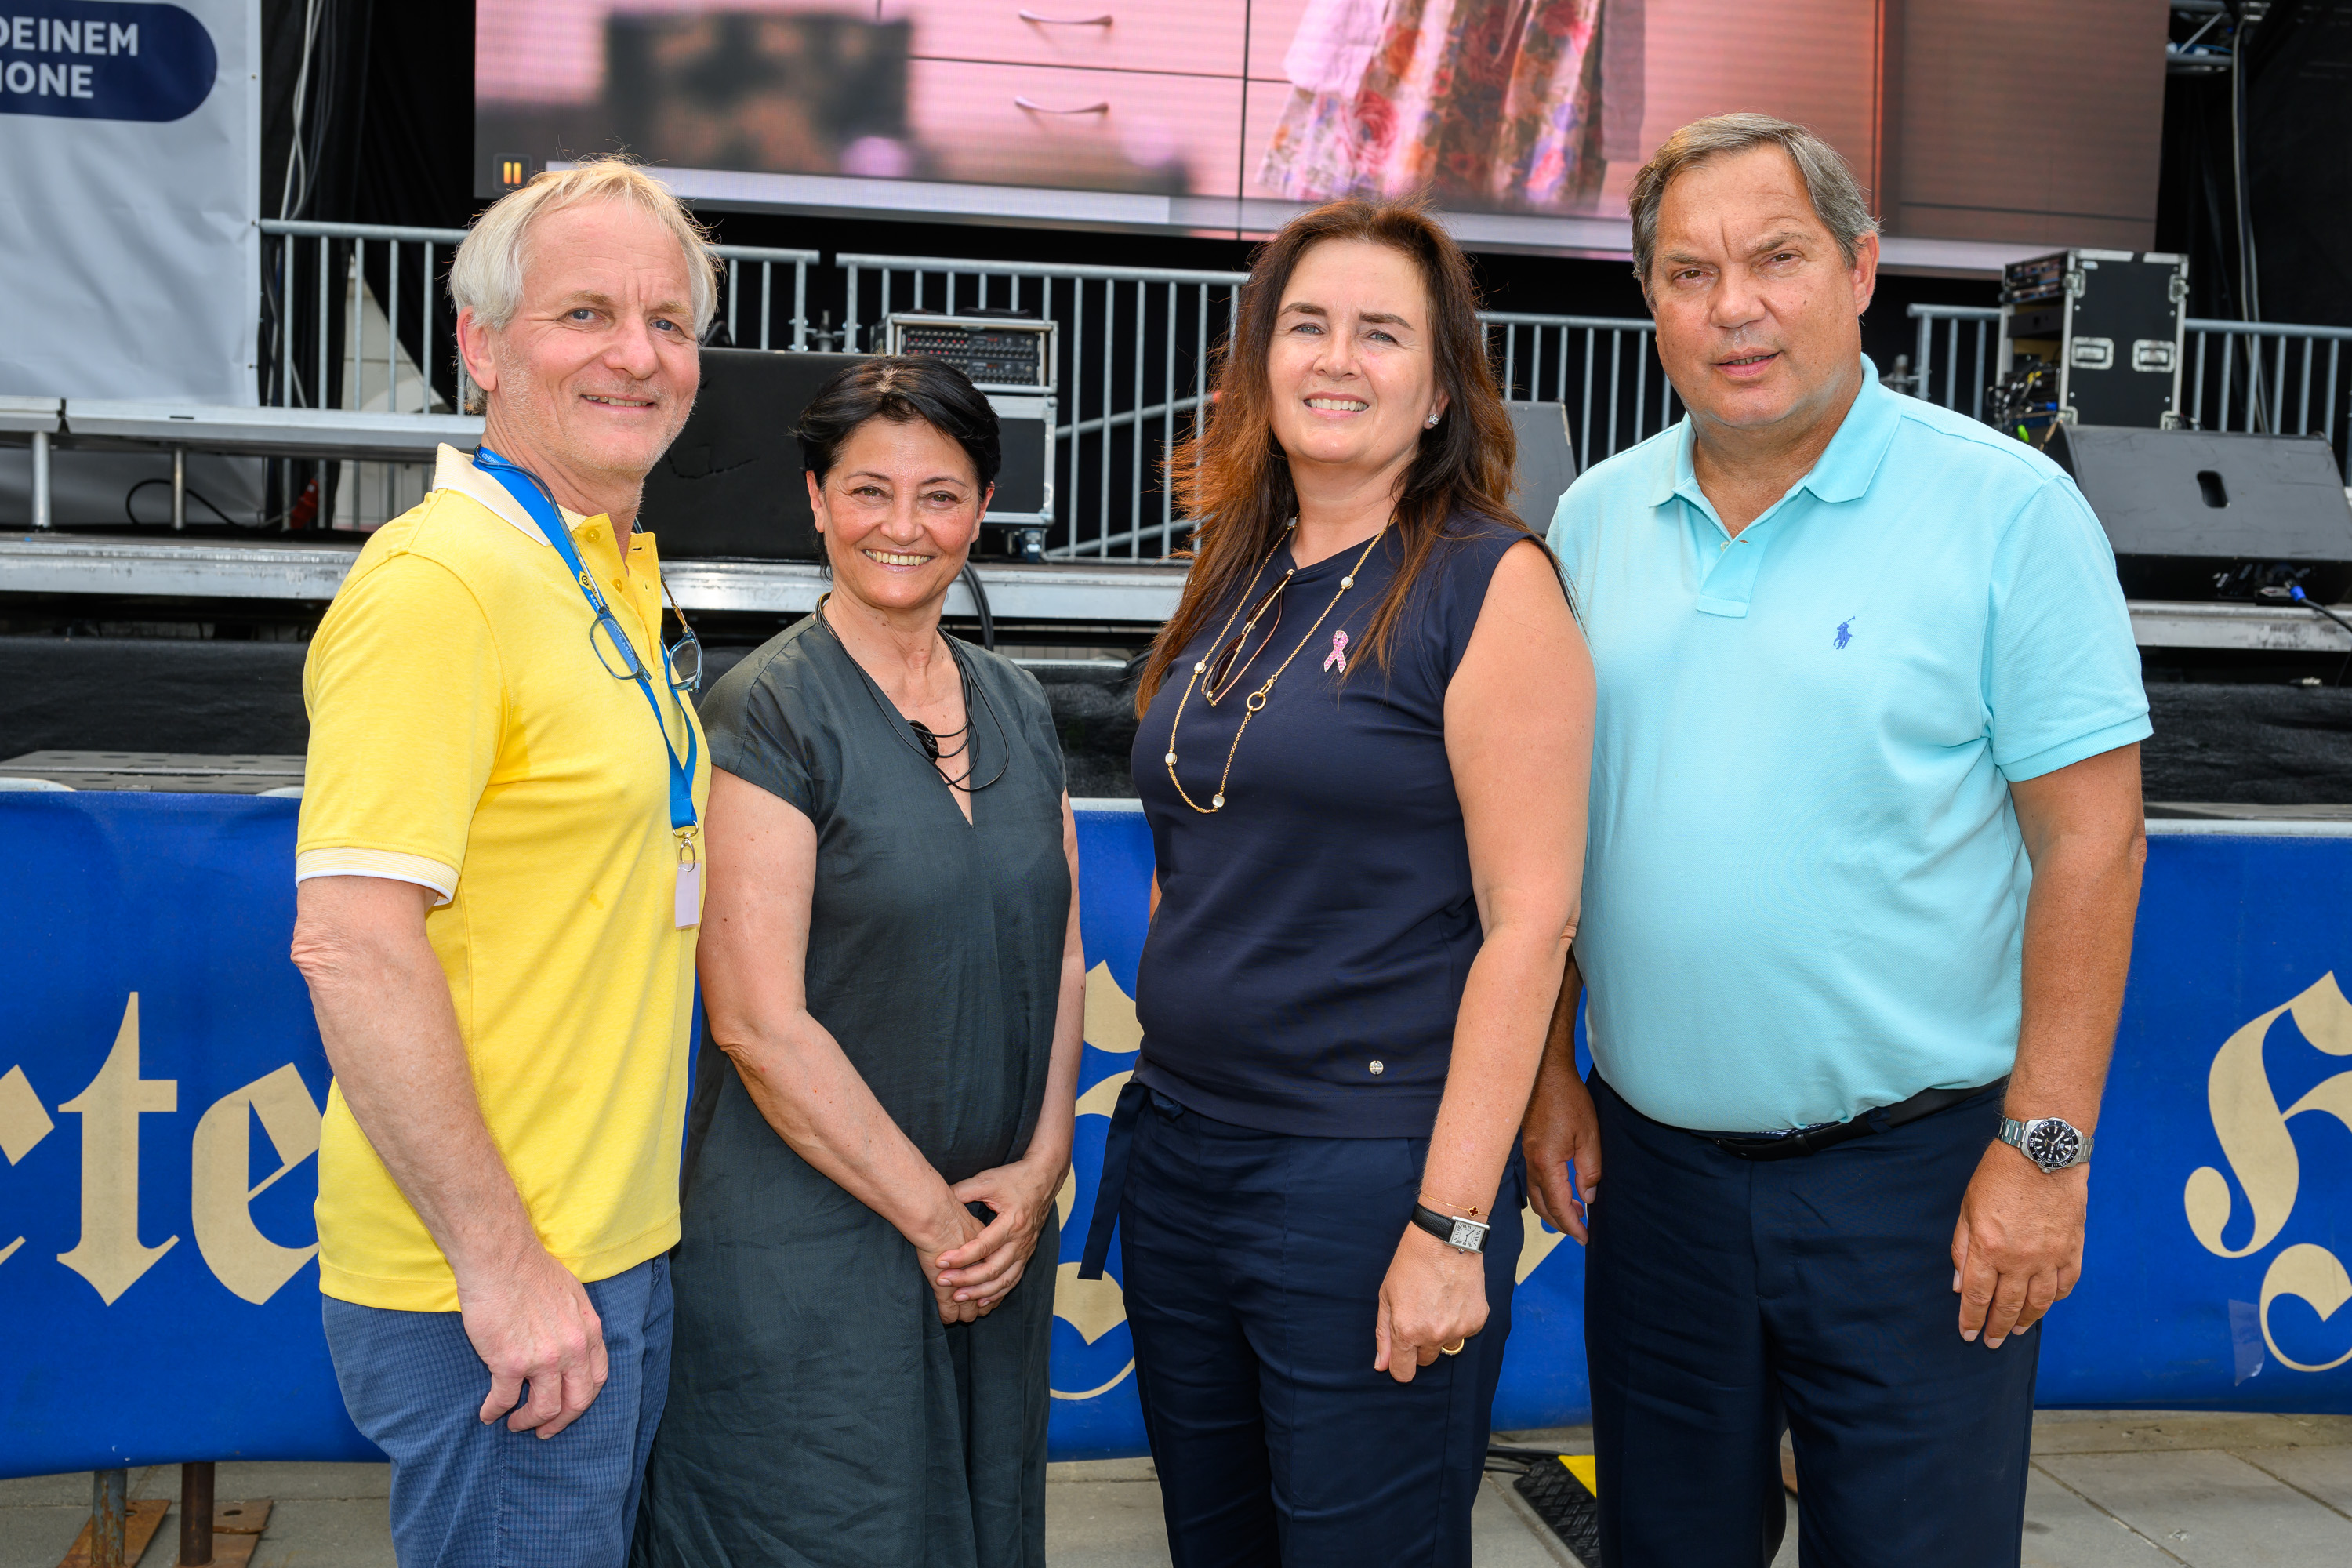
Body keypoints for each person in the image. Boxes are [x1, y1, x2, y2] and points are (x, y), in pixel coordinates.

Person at [1528, 114, 2150, 1566]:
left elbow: (2096, 846)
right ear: (1649, 300)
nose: (1734, 308)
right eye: (1689, 273)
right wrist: (1552, 1074)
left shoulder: (2009, 511)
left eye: (1777, 259)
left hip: (1916, 1189)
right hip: (1655, 1185)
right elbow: (1549, 842)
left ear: (1862, 269)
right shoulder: (1594, 521)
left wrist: (2044, 1154)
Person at [1084, 199, 1593, 1565]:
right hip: (1184, 1156)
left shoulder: (1491, 585)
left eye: (1382, 333)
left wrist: (1449, 1224)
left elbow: (1532, 923)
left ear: (1440, 389)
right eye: (1306, 325)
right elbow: (1200, 850)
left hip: (1364, 1179)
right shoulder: (1241, 567)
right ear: (1261, 361)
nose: (1336, 358)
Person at [289, 157, 717, 1567]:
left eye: (667, 321)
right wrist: (502, 1263)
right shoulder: (438, 585)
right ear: (478, 344)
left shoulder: (597, 569)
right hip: (499, 1285)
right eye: (584, 313)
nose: (636, 355)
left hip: (601, 1250)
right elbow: (352, 942)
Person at [631, 358, 1085, 1568]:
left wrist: (1040, 1170)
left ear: (982, 509)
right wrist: (937, 1222)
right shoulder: (767, 712)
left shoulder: (1020, 705)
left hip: (991, 1243)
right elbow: (756, 1023)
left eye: (940, 495)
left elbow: (1062, 951)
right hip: (815, 1251)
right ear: (818, 501)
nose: (904, 525)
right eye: (870, 490)